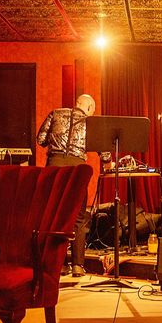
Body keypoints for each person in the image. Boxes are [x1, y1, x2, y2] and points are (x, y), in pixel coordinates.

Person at [36, 94, 95, 276]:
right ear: (89, 107)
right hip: (77, 168)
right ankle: (77, 265)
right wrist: (108, 162)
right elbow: (104, 149)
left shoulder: (55, 113)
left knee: (56, 215)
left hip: (54, 167)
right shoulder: (90, 122)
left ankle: (59, 264)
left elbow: (40, 139)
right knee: (78, 217)